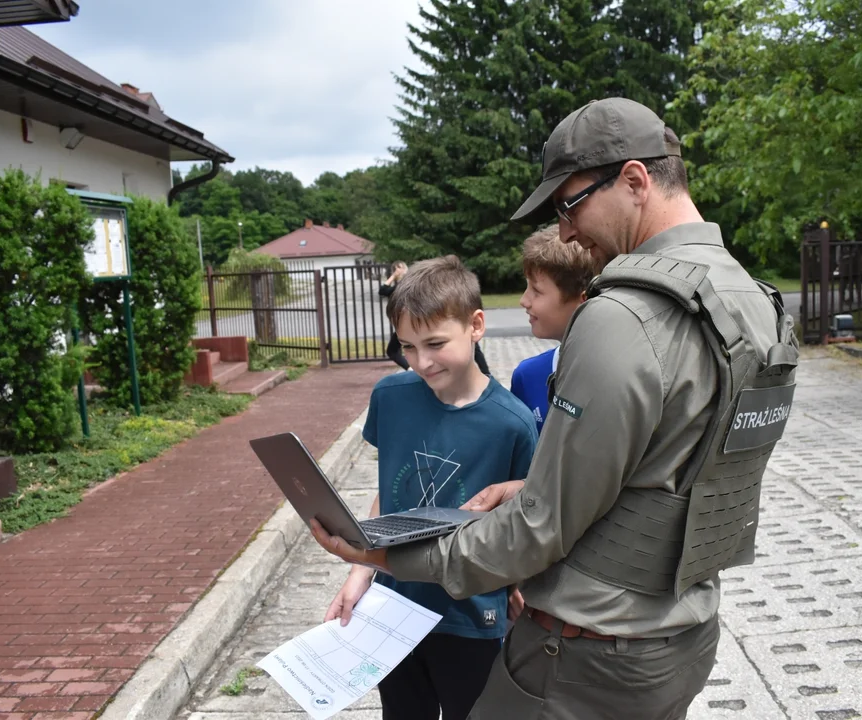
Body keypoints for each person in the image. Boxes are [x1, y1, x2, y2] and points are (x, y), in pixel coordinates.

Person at [311, 98, 799, 719]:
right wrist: (535, 485)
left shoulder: (621, 317)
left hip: (583, 662)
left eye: (569, 204)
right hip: (681, 641)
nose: (565, 231)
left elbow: (538, 532)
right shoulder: (755, 301)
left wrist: (378, 553)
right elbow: (678, 472)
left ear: (634, 180)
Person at [326, 255, 538, 720]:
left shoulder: (514, 424)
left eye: (436, 344)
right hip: (392, 604)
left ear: (476, 325)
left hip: (471, 616)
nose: (421, 361)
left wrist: (517, 583)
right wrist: (360, 571)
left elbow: (524, 517)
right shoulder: (390, 396)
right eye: (407, 346)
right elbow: (389, 487)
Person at [510, 225, 594, 434]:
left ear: (583, 300)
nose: (524, 301)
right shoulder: (527, 376)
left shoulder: (616, 379)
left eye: (536, 291)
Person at [380, 260, 492, 374]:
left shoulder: (420, 286)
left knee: (473, 346)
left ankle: (486, 373)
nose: (422, 364)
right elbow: (383, 290)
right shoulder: (402, 289)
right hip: (409, 326)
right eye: (408, 346)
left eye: (435, 344)